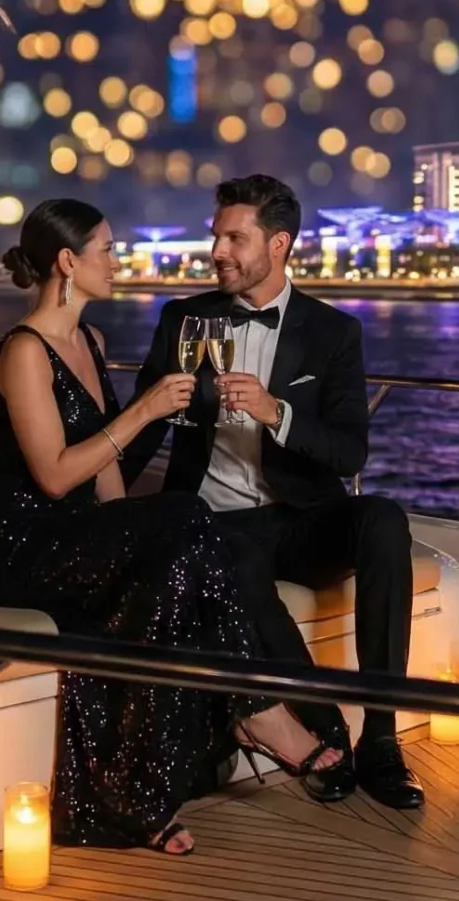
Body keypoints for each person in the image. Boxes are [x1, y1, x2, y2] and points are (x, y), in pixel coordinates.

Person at [0, 198, 343, 855]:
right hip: (16, 544)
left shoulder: (91, 341)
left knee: (172, 550)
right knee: (186, 517)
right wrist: (145, 410)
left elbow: (106, 474)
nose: (119, 260)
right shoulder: (24, 350)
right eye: (107, 250)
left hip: (75, 534)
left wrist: (135, 537)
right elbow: (52, 475)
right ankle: (260, 711)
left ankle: (142, 795)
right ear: (68, 262)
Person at [120, 174, 427, 811]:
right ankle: (324, 729)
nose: (218, 250)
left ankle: (382, 738)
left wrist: (275, 411)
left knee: (384, 522)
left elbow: (350, 452)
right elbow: (145, 425)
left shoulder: (334, 333)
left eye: (236, 237)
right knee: (234, 558)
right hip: (218, 521)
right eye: (217, 236)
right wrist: (101, 505)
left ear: (279, 244)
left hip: (304, 514)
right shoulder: (184, 319)